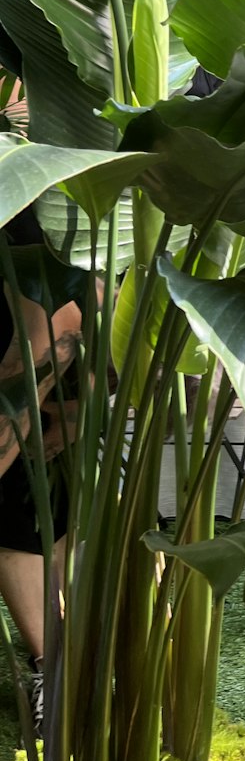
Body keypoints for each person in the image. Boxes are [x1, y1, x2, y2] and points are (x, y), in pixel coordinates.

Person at [0, 209, 81, 733]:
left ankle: (57, 667)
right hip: (35, 374)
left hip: (51, 379)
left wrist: (63, 417)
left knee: (41, 513)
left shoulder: (29, 203)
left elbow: (59, 328)